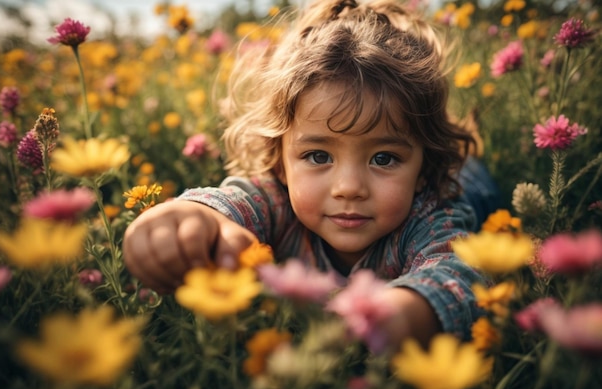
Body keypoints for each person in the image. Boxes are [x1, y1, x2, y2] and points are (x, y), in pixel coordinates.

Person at [123, 0, 500, 348]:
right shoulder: (274, 200)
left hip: (469, 189)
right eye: (318, 155)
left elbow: (458, 274)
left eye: (384, 158)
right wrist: (187, 220)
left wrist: (400, 311)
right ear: (279, 163)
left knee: (470, 181)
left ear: (423, 170)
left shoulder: (428, 218)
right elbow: (226, 203)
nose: (348, 188)